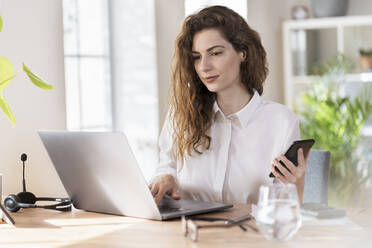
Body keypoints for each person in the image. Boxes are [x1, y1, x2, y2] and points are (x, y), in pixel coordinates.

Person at [149, 5, 309, 206]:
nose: (204, 66)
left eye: (215, 53)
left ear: (243, 52)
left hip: (252, 235)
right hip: (188, 234)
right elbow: (167, 164)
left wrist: (298, 186)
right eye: (197, 57)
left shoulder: (280, 122)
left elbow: (287, 209)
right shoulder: (182, 113)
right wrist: (165, 176)